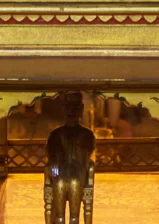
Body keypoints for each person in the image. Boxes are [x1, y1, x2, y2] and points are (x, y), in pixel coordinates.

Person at [45, 94, 95, 224]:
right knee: (60, 183)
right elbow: (52, 153)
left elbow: (87, 158)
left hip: (78, 173)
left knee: (74, 183)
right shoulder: (56, 134)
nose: (71, 111)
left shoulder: (87, 134)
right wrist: (54, 163)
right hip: (61, 174)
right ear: (63, 108)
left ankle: (74, 220)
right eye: (68, 107)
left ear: (81, 109)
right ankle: (60, 219)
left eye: (75, 107)